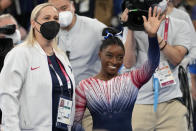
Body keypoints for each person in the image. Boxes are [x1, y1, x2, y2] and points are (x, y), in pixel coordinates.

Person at [73, 6, 164, 131]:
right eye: (109, 56)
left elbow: (152, 64)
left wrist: (152, 36)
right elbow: (76, 123)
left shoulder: (131, 80)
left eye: (120, 57)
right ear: (100, 54)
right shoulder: (85, 86)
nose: (114, 61)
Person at [0, 2, 75, 131]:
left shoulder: (62, 57)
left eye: (56, 18)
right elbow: (8, 98)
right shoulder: (20, 54)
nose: (52, 21)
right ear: (34, 23)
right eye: (46, 18)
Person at [123, 0, 192, 130]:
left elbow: (176, 58)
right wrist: (131, 27)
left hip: (171, 102)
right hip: (140, 102)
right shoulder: (135, 22)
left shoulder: (180, 25)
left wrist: (154, 36)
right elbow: (128, 63)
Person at [48, 0, 106, 130]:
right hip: (61, 103)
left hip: (90, 102)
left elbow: (118, 51)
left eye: (64, 8)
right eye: (55, 10)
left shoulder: (94, 27)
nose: (61, 13)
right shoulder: (47, 32)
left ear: (73, 6)